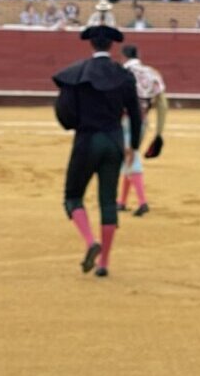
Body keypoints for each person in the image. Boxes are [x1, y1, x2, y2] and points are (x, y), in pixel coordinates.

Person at [52, 26, 142, 278]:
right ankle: (104, 263)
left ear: (91, 44)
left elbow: (64, 111)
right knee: (108, 201)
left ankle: (91, 240)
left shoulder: (77, 73)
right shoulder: (123, 75)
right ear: (112, 46)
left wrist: (74, 123)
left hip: (87, 141)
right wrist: (134, 146)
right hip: (114, 141)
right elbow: (135, 114)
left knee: (73, 196)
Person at [117, 45, 168, 217]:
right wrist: (159, 133)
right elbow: (162, 104)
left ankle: (142, 202)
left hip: (123, 121)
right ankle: (122, 202)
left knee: (131, 157)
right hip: (142, 121)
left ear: (123, 57)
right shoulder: (152, 73)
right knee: (130, 156)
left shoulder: (120, 73)